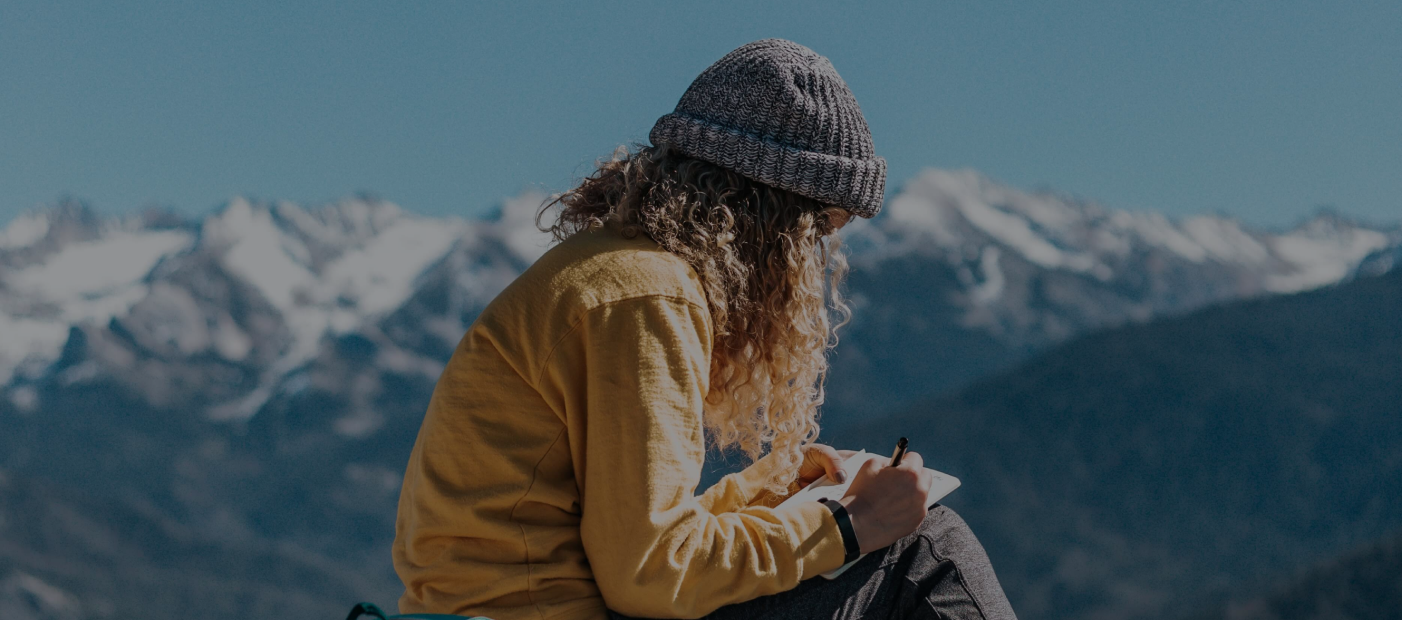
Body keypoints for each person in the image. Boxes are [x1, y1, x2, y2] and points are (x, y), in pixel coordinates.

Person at [392, 39, 1018, 620]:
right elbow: (648, 572)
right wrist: (850, 524)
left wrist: (774, 488)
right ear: (778, 223)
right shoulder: (649, 299)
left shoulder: (609, 273)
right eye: (822, 231)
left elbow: (624, 535)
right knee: (928, 545)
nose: (818, 263)